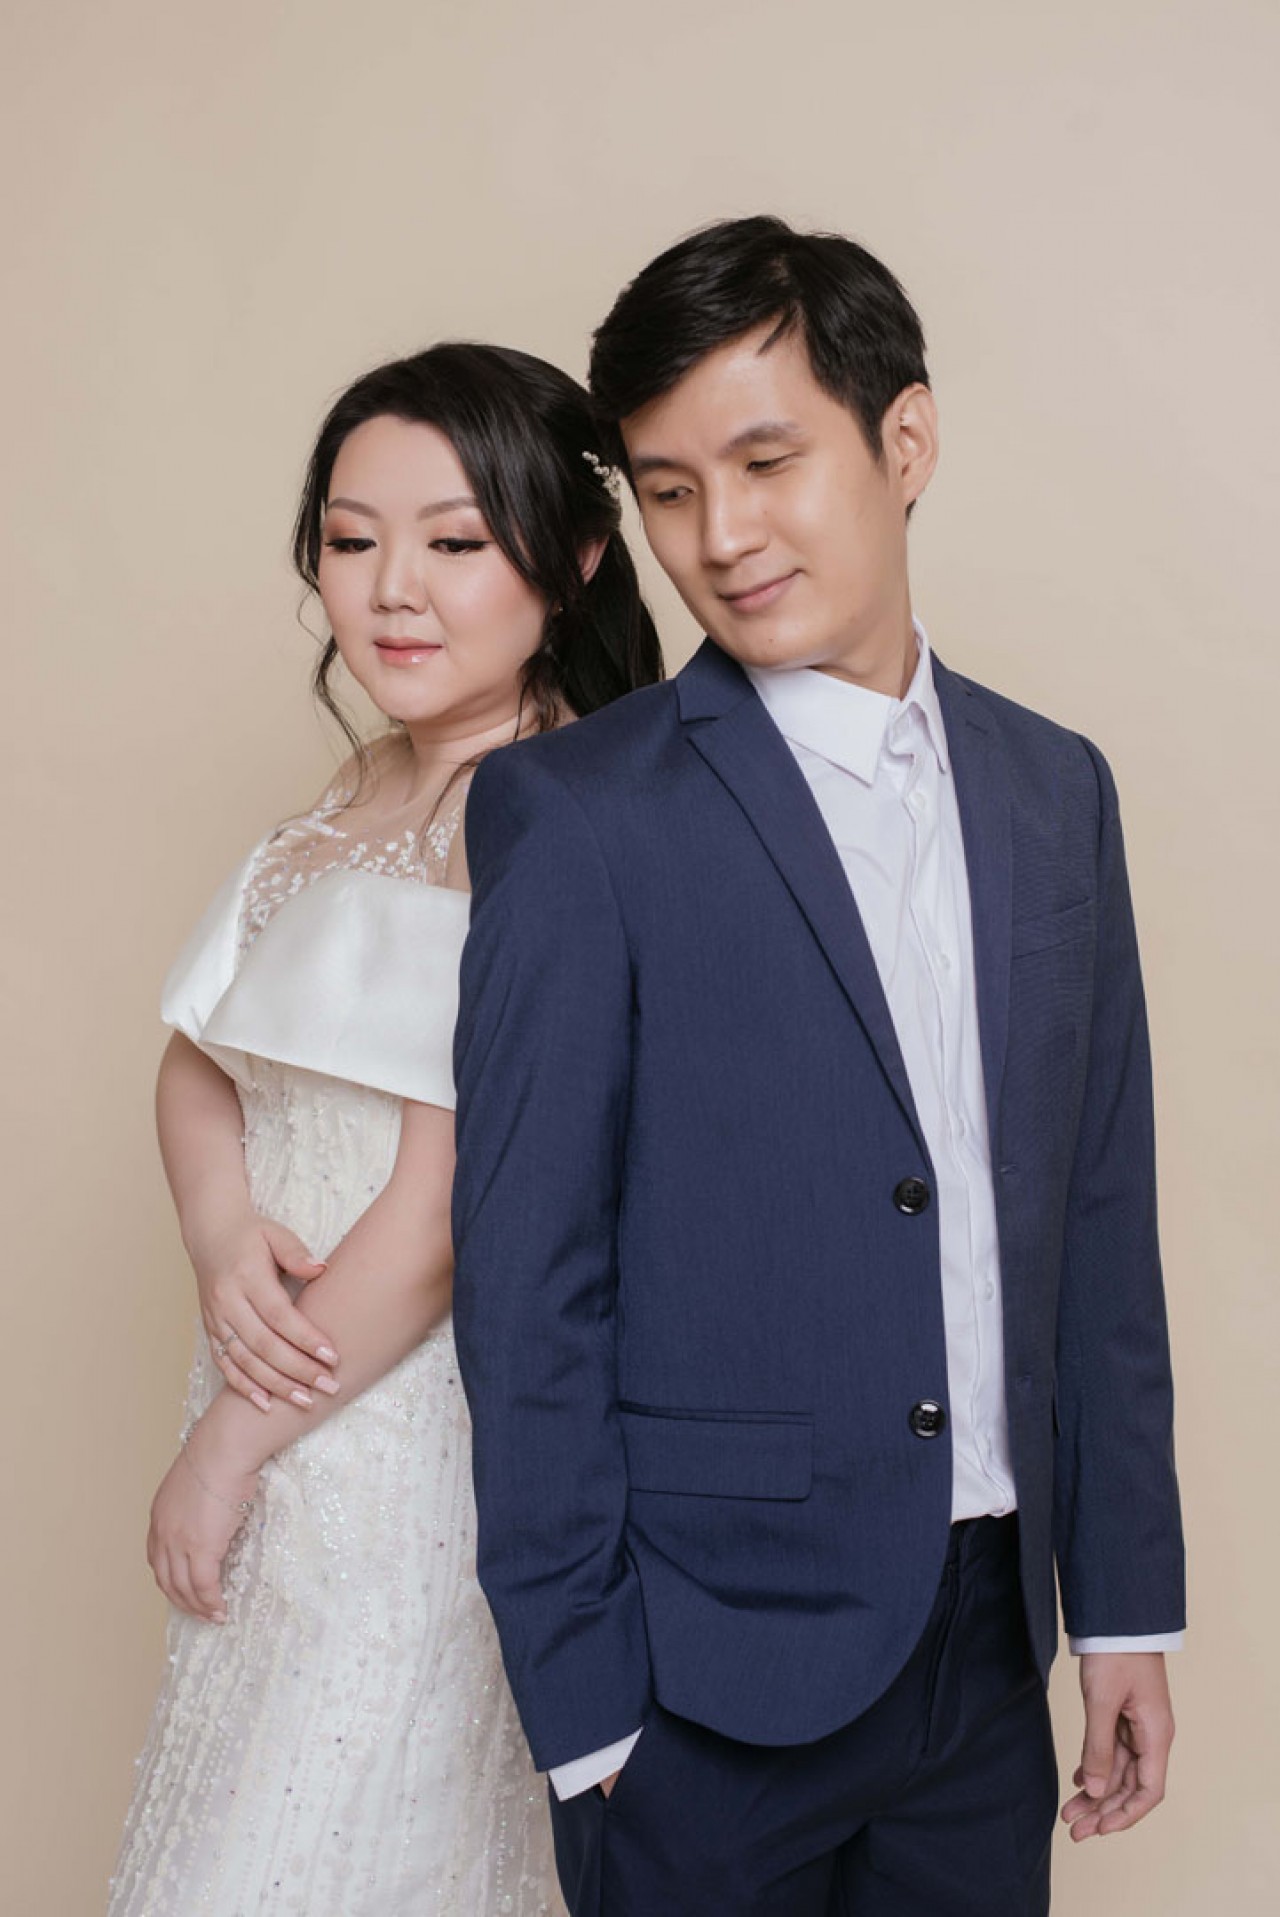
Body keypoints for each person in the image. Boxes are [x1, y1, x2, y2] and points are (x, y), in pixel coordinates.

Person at [450, 218, 1185, 1915]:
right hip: (700, 1683)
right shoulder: (579, 816)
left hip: (987, 1654)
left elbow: (1096, 1214)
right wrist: (589, 1715)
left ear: (904, 439)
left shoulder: (1055, 789)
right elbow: (527, 1283)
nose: (722, 535)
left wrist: (1124, 1606)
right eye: (671, 490)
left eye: (767, 462)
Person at [109, 341, 662, 1916]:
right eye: (353, 541)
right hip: (286, 1398)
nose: (392, 590)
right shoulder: (359, 783)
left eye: (455, 540)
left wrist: (227, 1442)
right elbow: (200, 1054)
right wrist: (221, 1229)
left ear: (573, 558)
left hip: (410, 1444)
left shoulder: (549, 810)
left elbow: (445, 1213)